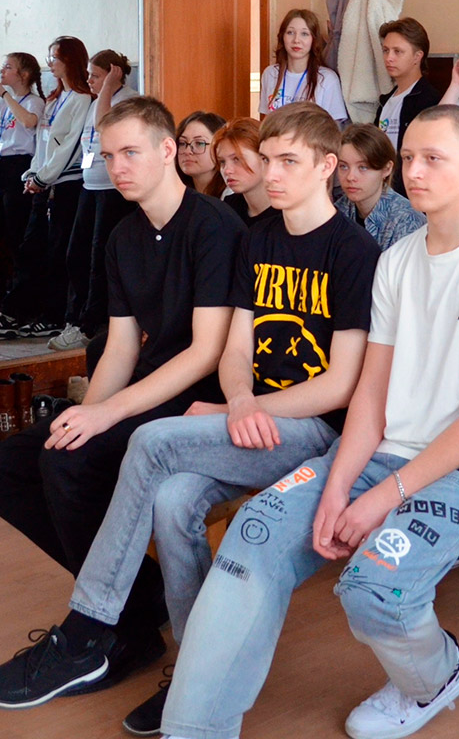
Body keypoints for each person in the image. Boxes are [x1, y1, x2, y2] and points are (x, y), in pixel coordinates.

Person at [158, 105, 459, 739]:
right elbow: (370, 393)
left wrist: (380, 499)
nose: (415, 172)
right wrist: (339, 484)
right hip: (388, 450)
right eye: (410, 157)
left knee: (370, 589)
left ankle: (435, 677)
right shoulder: (397, 261)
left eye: (434, 159)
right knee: (253, 533)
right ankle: (193, 728)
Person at [0, 101, 380, 735]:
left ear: (326, 167)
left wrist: (243, 405)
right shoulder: (258, 240)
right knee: (173, 500)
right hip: (247, 416)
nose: (270, 173)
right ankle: (194, 671)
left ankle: (92, 624)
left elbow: (340, 384)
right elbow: (234, 349)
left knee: (151, 443)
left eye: (287, 161)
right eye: (268, 160)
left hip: (312, 430)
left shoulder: (354, 251)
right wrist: (238, 399)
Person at [0, 96, 244, 707]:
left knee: (68, 462)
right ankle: (138, 601)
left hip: (201, 399)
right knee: (15, 460)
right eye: (109, 155)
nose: (118, 167)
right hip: (146, 388)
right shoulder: (123, 235)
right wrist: (85, 412)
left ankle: (116, 632)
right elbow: (121, 347)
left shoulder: (213, 227)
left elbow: (206, 352)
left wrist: (105, 414)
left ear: (168, 151)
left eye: (131, 152)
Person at [0, 37, 92, 338]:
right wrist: (33, 173)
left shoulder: (81, 99)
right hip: (41, 181)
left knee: (59, 253)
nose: (50, 63)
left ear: (70, 61)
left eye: (55, 58)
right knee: (31, 249)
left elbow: (69, 146)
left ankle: (54, 315)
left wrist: (44, 177)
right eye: (49, 57)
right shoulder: (55, 98)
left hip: (65, 184)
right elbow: (43, 142)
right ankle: (20, 311)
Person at [52, 49, 138, 351]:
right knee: (75, 253)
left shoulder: (127, 101)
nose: (89, 80)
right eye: (89, 74)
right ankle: (74, 318)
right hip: (89, 185)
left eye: (96, 75)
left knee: (99, 258)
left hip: (113, 190)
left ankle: (91, 324)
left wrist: (109, 88)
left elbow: (104, 126)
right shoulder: (96, 99)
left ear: (115, 74)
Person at [374, 17, 440, 197]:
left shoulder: (428, 100)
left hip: (410, 193)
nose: (389, 58)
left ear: (417, 57)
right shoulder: (385, 100)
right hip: (383, 191)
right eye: (386, 50)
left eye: (398, 51)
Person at [335, 122, 425, 250]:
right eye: (343, 166)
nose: (350, 177)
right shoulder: (338, 209)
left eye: (363, 167)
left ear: (387, 169)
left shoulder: (407, 221)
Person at [0, 52, 45, 289]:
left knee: (16, 226)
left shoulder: (32, 101)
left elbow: (29, 121)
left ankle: (22, 287)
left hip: (20, 164)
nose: (2, 71)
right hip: (3, 163)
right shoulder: (6, 102)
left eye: (8, 67)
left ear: (24, 74)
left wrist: (5, 95)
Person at [259, 9, 349, 123]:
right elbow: (266, 121)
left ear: (313, 39)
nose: (296, 40)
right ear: (282, 37)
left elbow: (334, 127)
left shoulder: (327, 79)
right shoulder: (270, 73)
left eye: (304, 34)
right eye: (290, 32)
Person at [213, 118, 273, 226]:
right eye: (222, 162)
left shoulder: (288, 213)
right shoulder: (229, 207)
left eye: (237, 159)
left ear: (264, 158)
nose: (227, 170)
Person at [175, 111, 226, 198]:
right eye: (182, 143)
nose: (187, 151)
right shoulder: (176, 194)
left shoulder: (231, 197)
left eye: (199, 143)